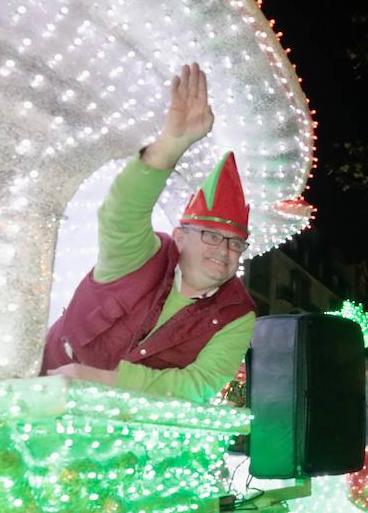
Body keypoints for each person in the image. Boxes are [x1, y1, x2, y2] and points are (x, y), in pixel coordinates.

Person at [43, 64, 255, 403]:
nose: (225, 249)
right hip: (43, 392)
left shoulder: (237, 314)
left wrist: (102, 380)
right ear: (181, 236)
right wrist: (173, 142)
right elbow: (121, 212)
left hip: (128, 428)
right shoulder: (143, 257)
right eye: (212, 236)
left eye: (235, 242)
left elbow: (199, 384)